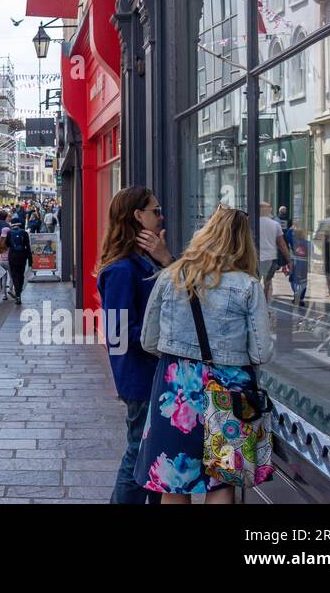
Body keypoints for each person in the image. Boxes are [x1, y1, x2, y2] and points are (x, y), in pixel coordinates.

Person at [135, 205, 274, 502]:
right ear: (243, 243)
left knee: (173, 480)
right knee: (223, 481)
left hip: (177, 390)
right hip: (230, 390)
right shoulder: (248, 286)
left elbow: (148, 339)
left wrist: (181, 355)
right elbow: (261, 352)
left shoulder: (172, 276)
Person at [96, 187, 172, 505]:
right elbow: (119, 332)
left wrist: (167, 260)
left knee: (152, 458)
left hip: (156, 375)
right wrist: (165, 337)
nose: (161, 215)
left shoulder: (144, 262)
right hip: (142, 378)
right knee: (139, 456)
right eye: (155, 210)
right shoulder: (122, 270)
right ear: (138, 216)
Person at [259, 201, 290, 302]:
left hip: (255, 257)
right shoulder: (275, 224)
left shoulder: (250, 222)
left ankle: (257, 303)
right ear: (269, 210)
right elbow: (282, 244)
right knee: (268, 282)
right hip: (271, 258)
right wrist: (289, 260)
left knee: (255, 282)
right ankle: (265, 303)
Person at [5, 215, 32, 304]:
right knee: (21, 274)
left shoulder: (9, 233)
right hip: (22, 256)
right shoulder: (24, 233)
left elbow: (7, 245)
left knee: (14, 275)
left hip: (12, 256)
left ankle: (17, 294)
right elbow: (28, 247)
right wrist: (30, 260)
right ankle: (19, 292)